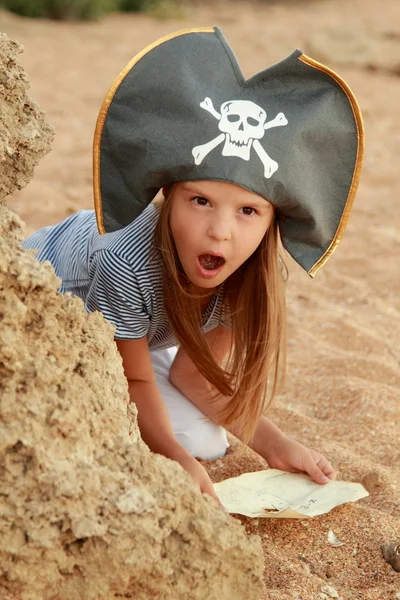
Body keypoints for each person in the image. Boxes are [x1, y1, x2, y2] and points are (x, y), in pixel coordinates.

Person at [23, 27, 364, 507]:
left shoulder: (246, 274)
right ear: (168, 196)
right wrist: (174, 460)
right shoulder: (126, 260)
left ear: (272, 222)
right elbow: (133, 379)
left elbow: (195, 376)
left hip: (137, 332)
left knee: (205, 443)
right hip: (60, 310)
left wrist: (274, 444)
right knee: (160, 443)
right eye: (201, 201)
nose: (220, 232)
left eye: (248, 211)